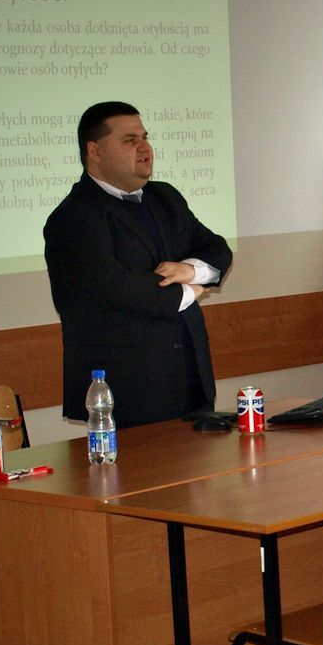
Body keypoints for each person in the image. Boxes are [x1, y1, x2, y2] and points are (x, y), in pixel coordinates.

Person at [44, 101, 233, 428]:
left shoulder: (165, 197)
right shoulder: (74, 216)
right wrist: (189, 292)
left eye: (145, 138)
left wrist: (190, 270)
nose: (145, 148)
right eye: (130, 140)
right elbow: (112, 286)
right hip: (126, 394)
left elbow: (216, 248)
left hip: (190, 382)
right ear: (95, 151)